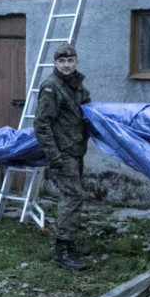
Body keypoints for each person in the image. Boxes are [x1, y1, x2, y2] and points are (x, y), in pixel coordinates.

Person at [34, 43, 92, 271]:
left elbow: (87, 110)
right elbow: (41, 124)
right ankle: (62, 250)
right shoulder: (51, 87)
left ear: (76, 62)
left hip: (76, 148)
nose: (66, 65)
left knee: (74, 197)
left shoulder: (77, 85)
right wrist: (54, 155)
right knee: (71, 197)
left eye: (70, 61)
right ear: (55, 64)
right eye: (61, 62)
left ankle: (70, 242)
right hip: (63, 152)